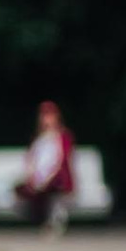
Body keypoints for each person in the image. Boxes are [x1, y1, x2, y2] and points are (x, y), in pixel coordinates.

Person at [19, 99, 78, 233]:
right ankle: (43, 221)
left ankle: (52, 222)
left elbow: (61, 161)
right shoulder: (38, 139)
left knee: (53, 187)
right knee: (27, 189)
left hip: (57, 178)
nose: (46, 119)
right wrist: (32, 177)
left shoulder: (63, 136)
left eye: (49, 115)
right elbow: (31, 160)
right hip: (40, 179)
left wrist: (47, 178)